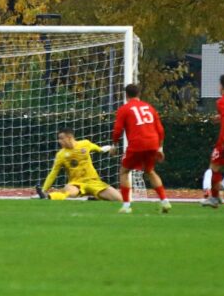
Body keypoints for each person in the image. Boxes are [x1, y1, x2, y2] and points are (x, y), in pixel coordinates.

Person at [112, 84, 171, 214]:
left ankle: (126, 206)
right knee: (150, 171)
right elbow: (160, 130)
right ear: (139, 94)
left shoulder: (124, 109)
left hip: (137, 144)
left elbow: (117, 130)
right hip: (153, 143)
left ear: (126, 95)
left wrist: (114, 145)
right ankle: (165, 201)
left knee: (124, 171)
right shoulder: (149, 107)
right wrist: (160, 148)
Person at [36, 128, 122, 201]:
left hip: (94, 182)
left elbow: (100, 149)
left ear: (69, 137)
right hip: (76, 184)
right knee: (71, 194)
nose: (59, 141)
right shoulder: (61, 155)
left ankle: (95, 198)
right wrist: (44, 190)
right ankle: (48, 196)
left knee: (119, 199)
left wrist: (111, 148)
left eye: (61, 138)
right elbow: (53, 173)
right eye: (59, 139)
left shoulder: (85, 144)